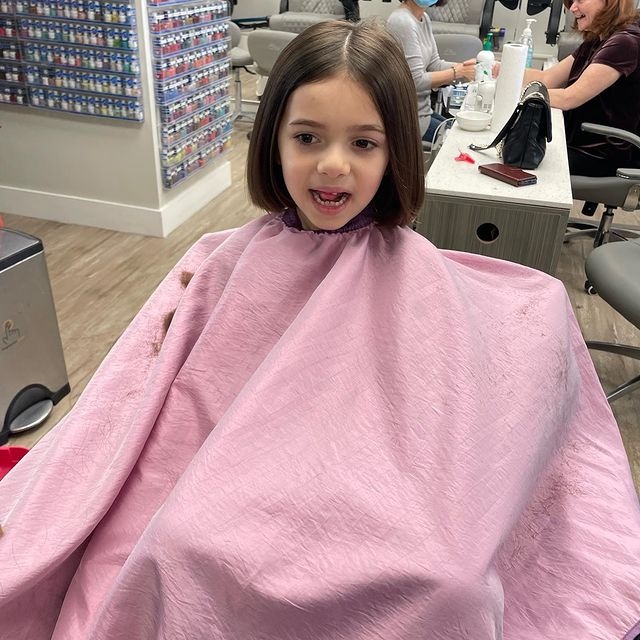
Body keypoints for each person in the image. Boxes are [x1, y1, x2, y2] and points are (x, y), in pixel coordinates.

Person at [1, 18, 640, 640]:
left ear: (394, 151)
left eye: (363, 144)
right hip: (225, 473)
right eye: (307, 138)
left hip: (377, 487)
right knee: (176, 544)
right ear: (273, 141)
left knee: (450, 583)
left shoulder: (414, 274)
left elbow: (443, 421)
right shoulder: (221, 262)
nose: (333, 166)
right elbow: (141, 398)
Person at [523, 0, 640, 176]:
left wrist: (514, 93)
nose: (573, 8)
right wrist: (501, 70)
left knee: (520, 159)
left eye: (581, 0)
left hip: (600, 156)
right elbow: (547, 78)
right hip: (578, 143)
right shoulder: (596, 40)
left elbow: (568, 98)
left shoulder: (624, 44)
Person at [387, 0, 477, 142]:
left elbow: (434, 64)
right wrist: (458, 72)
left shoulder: (423, 18)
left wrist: (468, 68)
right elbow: (415, 81)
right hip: (407, 119)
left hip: (423, 111)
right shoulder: (401, 22)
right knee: (462, 139)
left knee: (464, 131)